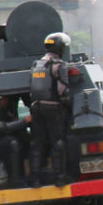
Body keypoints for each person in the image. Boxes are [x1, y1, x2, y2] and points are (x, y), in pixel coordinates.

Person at [28, 32, 71, 188]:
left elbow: (31, 88)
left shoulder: (36, 64)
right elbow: (62, 90)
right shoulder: (59, 64)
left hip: (36, 107)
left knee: (37, 143)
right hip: (52, 108)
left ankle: (35, 179)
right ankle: (60, 177)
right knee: (57, 142)